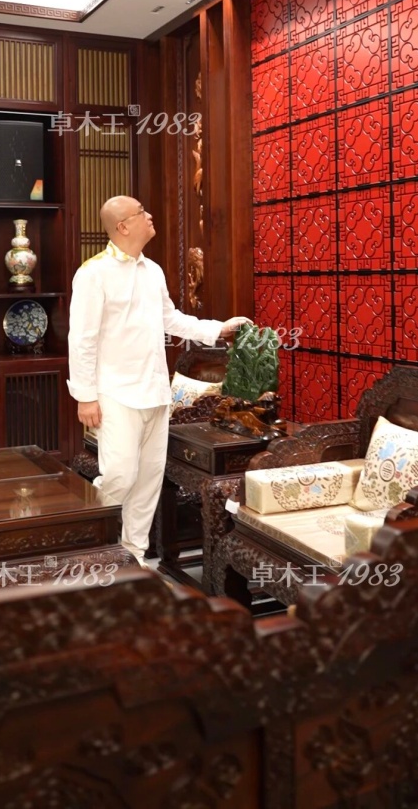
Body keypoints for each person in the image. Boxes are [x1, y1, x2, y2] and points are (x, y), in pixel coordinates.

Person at [67, 195, 251, 566]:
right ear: (123, 226)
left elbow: (172, 319)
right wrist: (85, 396)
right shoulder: (93, 273)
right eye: (142, 212)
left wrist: (218, 329)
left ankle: (133, 559)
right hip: (115, 393)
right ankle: (88, 542)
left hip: (155, 391)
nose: (150, 215)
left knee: (148, 480)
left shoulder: (152, 270)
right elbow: (82, 338)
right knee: (120, 475)